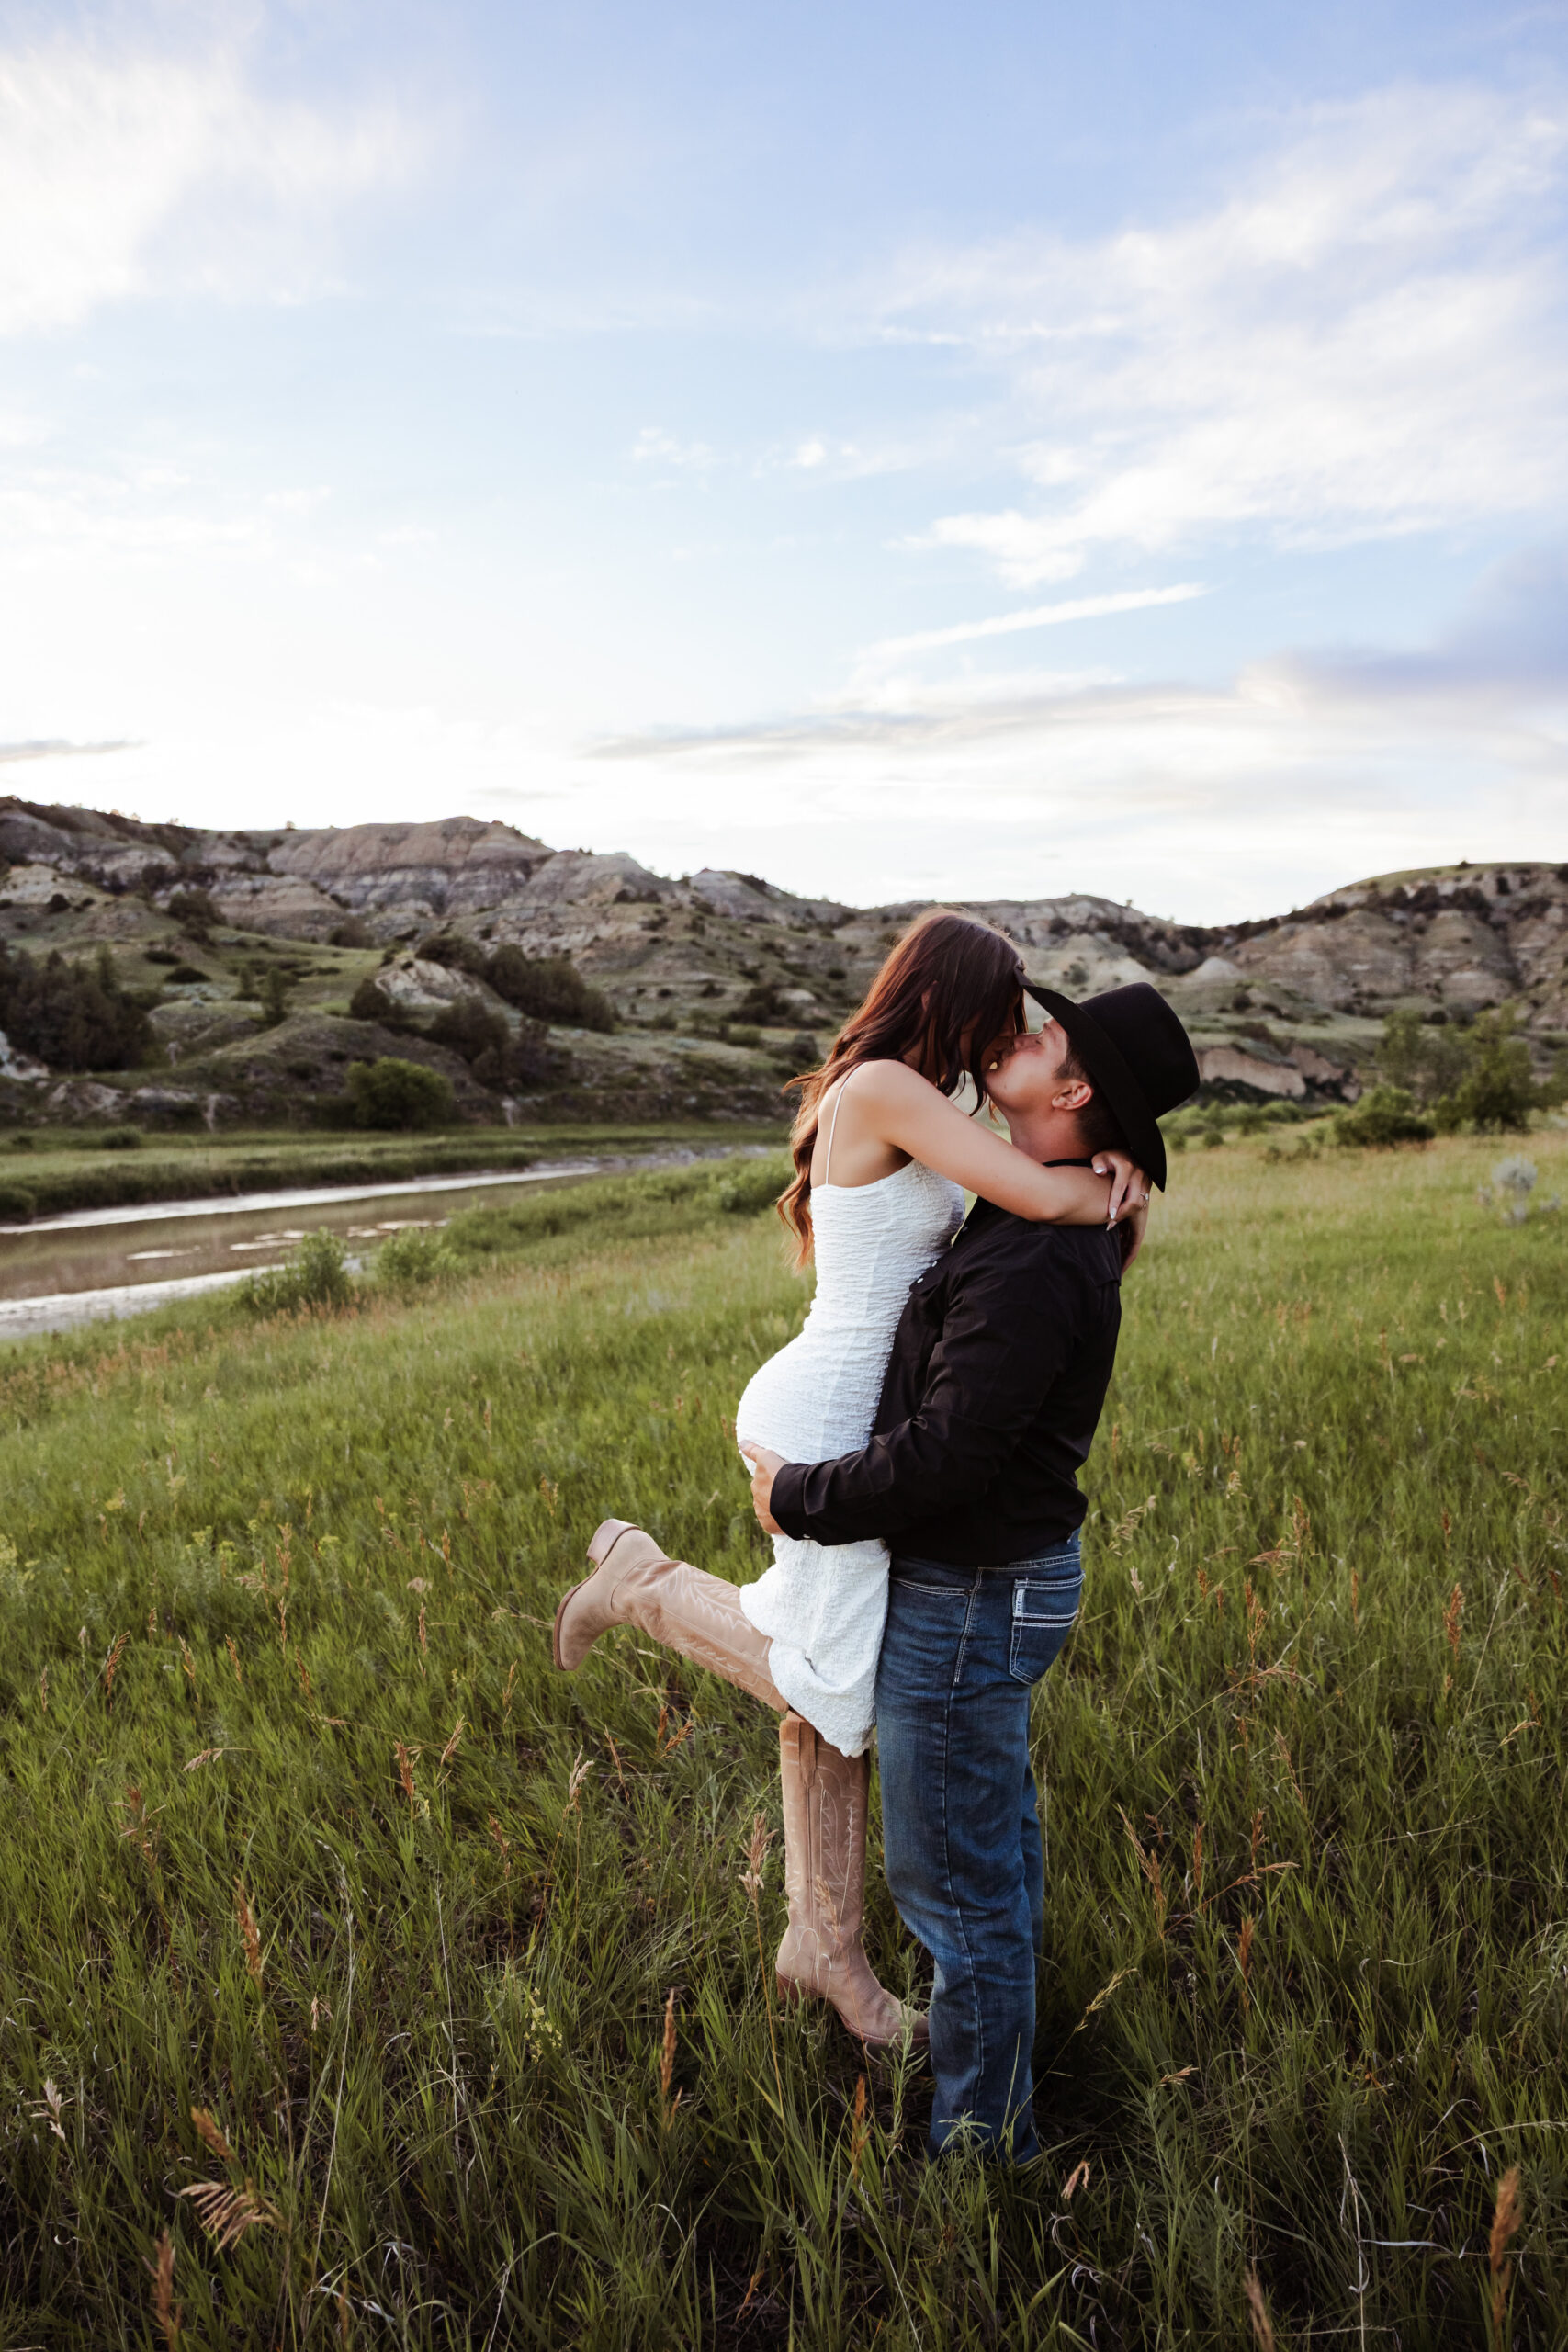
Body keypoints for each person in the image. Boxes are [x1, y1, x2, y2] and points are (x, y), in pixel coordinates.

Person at [552, 911, 1148, 2045]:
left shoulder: (921, 1096)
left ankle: (823, 1948)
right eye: (1005, 1009)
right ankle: (645, 1584)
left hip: (864, 1410)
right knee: (830, 1675)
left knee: (835, 1687)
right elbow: (1032, 1195)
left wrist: (1102, 1161)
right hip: (825, 1413)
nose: (1009, 1035)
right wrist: (1112, 1185)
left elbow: (1012, 1185)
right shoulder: (879, 1086)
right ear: (954, 995)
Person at [743, 978, 1200, 2156]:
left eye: (1048, 1035)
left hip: (972, 1597)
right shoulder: (1038, 1214)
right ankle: (995, 2083)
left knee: (958, 1890)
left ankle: (983, 2147)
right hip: (999, 1582)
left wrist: (795, 1493)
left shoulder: (1032, 1263)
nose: (1023, 1035)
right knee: (989, 1854)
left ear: (1076, 1087)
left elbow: (945, 1460)